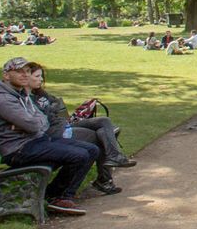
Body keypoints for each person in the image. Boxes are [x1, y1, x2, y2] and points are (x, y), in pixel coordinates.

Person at [0, 57, 100, 215]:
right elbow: (34, 125)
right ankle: (59, 197)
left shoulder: (21, 95)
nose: (24, 75)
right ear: (6, 75)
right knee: (79, 155)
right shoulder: (3, 100)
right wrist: (31, 124)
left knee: (92, 150)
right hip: (19, 150)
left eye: (27, 71)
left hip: (36, 140)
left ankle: (55, 194)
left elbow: (41, 122)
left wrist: (26, 124)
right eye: (18, 71)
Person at [26, 62, 133, 195]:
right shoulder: (25, 98)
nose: (41, 80)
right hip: (57, 133)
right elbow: (43, 118)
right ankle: (104, 180)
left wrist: (52, 108)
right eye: (37, 76)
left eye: (41, 76)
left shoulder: (40, 94)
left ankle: (114, 156)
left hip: (65, 125)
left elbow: (56, 106)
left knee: (104, 122)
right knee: (99, 137)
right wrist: (51, 109)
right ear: (26, 77)